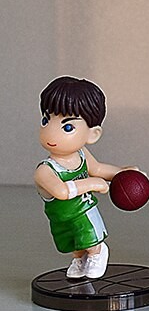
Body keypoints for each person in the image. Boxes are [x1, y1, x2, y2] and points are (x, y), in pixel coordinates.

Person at [35, 76, 135, 279]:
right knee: (72, 244)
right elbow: (61, 191)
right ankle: (79, 260)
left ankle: (98, 253)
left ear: (93, 134)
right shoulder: (45, 170)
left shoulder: (81, 155)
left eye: (67, 127)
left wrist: (123, 173)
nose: (51, 133)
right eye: (46, 120)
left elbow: (97, 168)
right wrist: (93, 184)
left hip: (83, 210)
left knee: (89, 237)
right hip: (59, 216)